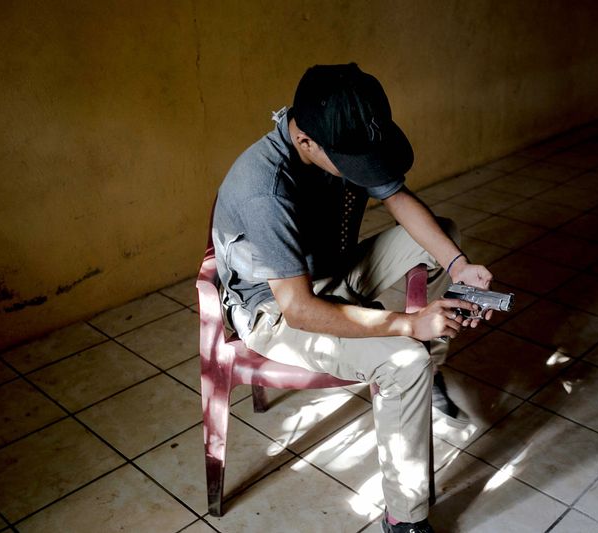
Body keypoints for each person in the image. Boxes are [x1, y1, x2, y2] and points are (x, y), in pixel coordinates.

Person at [212, 63, 494, 533]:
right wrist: (408, 325)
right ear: (304, 141)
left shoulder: (335, 135)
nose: (361, 172)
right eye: (352, 163)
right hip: (277, 310)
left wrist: (459, 265)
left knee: (442, 238)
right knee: (405, 361)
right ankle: (404, 521)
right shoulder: (264, 189)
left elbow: (397, 198)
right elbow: (299, 310)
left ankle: (430, 366)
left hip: (334, 271)